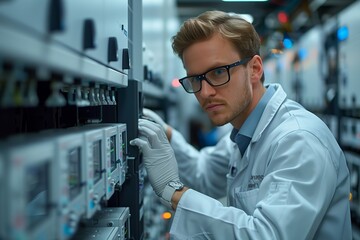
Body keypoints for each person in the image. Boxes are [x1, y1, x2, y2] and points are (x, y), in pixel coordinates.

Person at [130, 10, 352, 239]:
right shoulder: (244, 132)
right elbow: (203, 176)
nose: (205, 92)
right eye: (196, 79)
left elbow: (267, 235)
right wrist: (162, 132)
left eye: (218, 72)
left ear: (255, 69)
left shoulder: (298, 139)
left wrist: (173, 192)